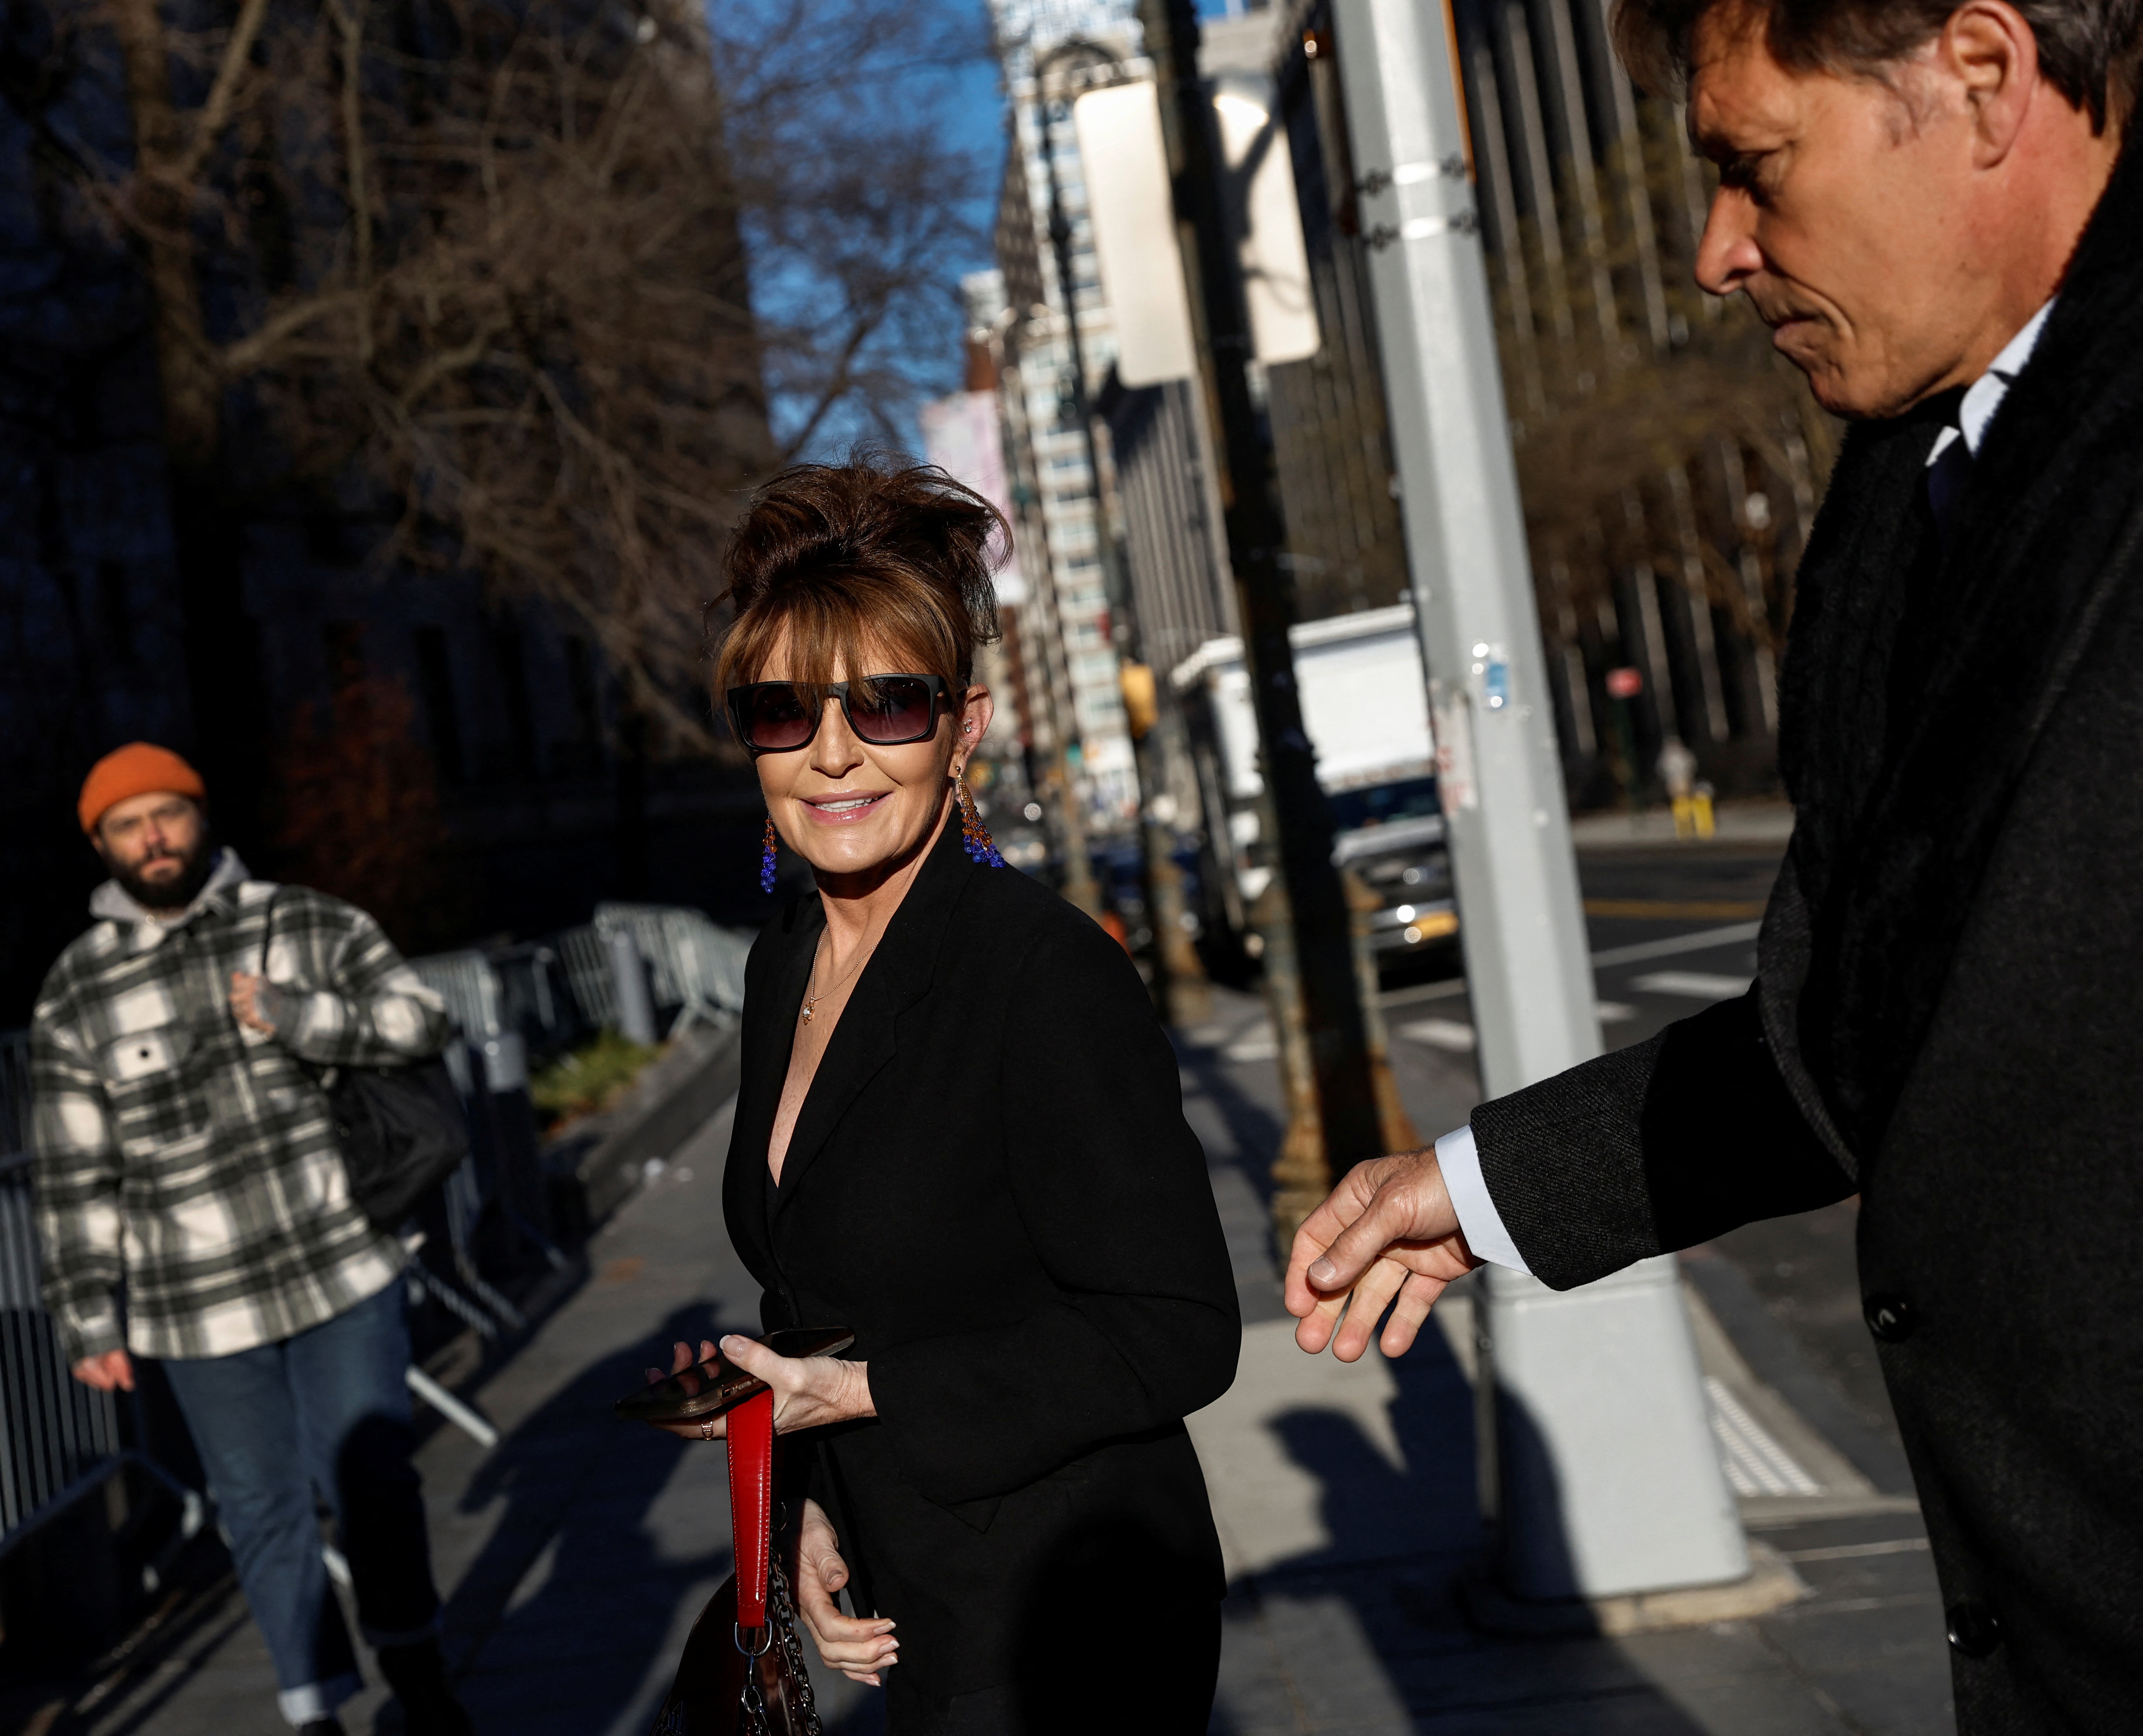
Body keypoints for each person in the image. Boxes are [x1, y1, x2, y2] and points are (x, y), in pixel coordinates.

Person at [1284, 0, 2143, 1727]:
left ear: (1979, 80)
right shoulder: (1902, 491)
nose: (1712, 253)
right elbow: (1865, 1033)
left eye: (1756, 166)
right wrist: (1484, 1189)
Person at [649, 459, 1242, 1734]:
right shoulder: (783, 959)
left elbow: (1178, 1324)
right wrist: (800, 1494)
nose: (831, 753)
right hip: (911, 1587)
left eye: (887, 703)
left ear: (963, 726)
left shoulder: (1041, 969)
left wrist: (857, 1394)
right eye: (782, 710)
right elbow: (817, 1293)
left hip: (1072, 1611)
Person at [29, 743, 473, 1736]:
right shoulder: (77, 991)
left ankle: (415, 1667)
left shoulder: (302, 921)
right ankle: (313, 1707)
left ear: (199, 816)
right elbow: (71, 1170)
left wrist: (301, 1016)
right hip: (195, 1302)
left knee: (374, 1477)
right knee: (260, 1507)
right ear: (100, 845)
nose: (152, 837)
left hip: (338, 1260)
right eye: (126, 824)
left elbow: (425, 1018)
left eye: (167, 814)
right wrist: (85, 1313)